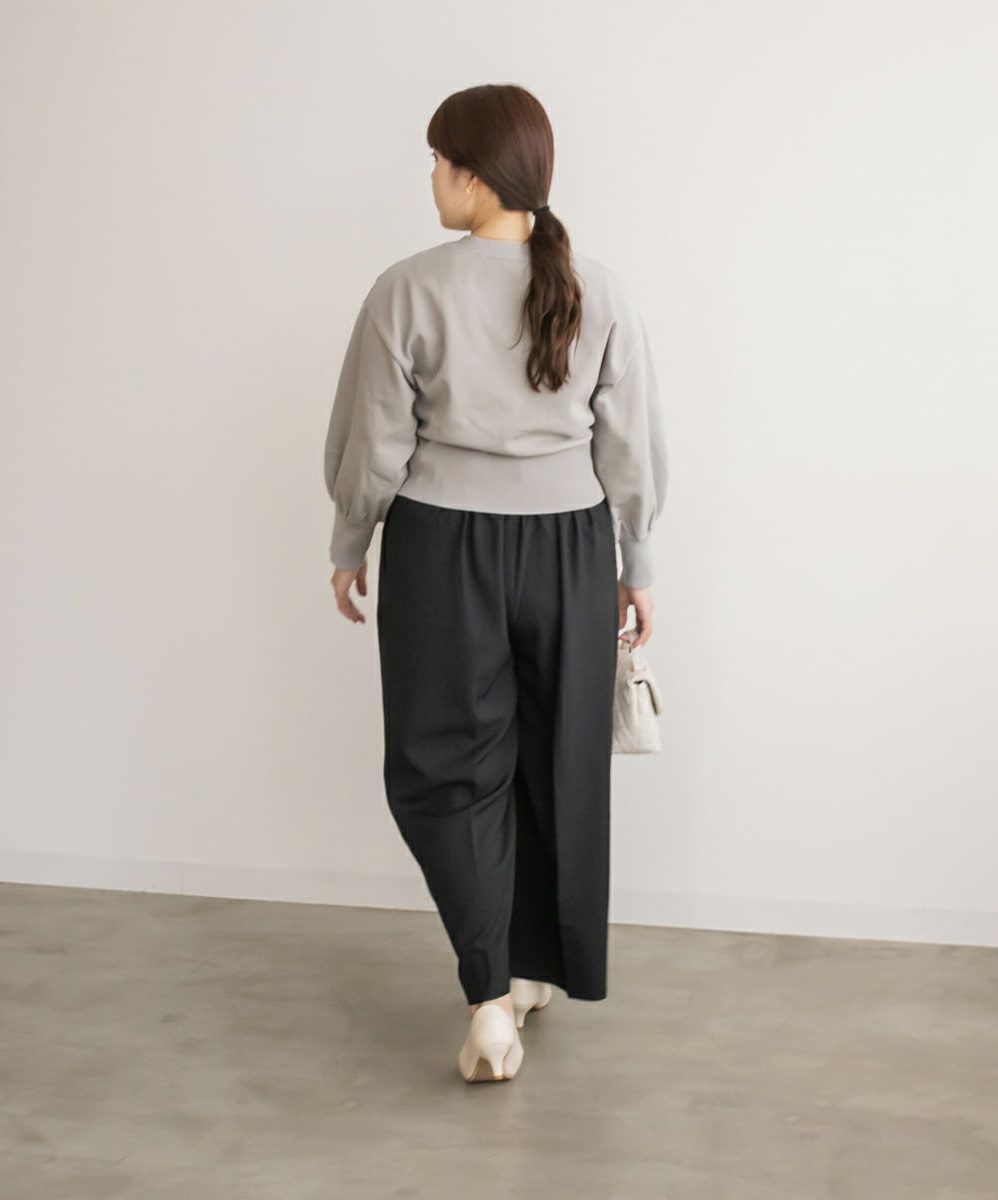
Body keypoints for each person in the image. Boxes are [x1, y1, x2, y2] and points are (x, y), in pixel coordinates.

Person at [323, 83, 668, 1083]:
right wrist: (638, 563)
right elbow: (629, 444)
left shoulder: (407, 289)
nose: (432, 178)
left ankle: (490, 996)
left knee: (446, 766)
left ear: (475, 176)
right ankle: (527, 971)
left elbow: (372, 444)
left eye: (439, 161)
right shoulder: (599, 288)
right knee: (558, 762)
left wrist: (350, 541)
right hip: (572, 549)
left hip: (443, 548)